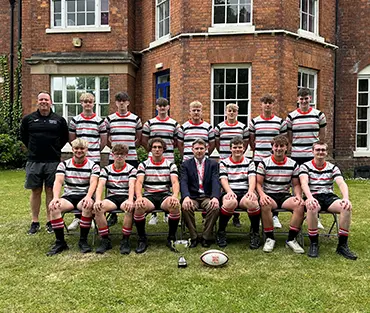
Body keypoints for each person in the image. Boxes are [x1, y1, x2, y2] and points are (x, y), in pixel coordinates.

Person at [20, 91, 69, 235]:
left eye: (46, 99)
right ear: (37, 101)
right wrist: (34, 148)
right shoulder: (28, 119)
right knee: (35, 191)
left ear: (51, 102)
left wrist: (54, 148)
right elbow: (24, 136)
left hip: (53, 161)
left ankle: (50, 221)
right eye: (41, 99)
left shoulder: (59, 120)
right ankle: (35, 222)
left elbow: (64, 138)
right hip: (34, 160)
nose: (43, 102)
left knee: (50, 191)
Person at [299, 141, 357, 260]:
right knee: (312, 206)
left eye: (323, 150)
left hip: (328, 196)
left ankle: (342, 246)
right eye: (318, 150)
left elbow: (341, 183)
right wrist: (309, 198)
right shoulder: (305, 166)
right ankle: (314, 243)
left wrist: (346, 198)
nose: (320, 152)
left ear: (326, 152)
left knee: (346, 207)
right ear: (313, 151)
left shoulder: (332, 167)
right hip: (313, 195)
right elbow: (303, 183)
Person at [47, 138, 100, 256]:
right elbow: (58, 182)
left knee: (87, 205)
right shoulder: (64, 164)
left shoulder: (94, 166)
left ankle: (83, 241)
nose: (79, 151)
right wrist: (55, 197)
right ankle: (60, 242)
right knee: (54, 207)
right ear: (72, 149)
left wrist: (88, 197)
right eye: (76, 148)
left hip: (84, 195)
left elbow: (93, 183)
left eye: (82, 148)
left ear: (87, 150)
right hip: (69, 196)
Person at [256, 135, 305, 254]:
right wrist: (262, 195)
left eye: (281, 146)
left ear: (286, 148)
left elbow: (296, 184)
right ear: (272, 147)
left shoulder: (293, 164)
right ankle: (269, 238)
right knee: (265, 204)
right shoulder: (264, 163)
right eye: (276, 146)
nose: (278, 148)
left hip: (284, 195)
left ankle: (291, 239)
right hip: (269, 194)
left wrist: (298, 196)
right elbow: (258, 183)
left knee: (299, 205)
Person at [286, 88, 327, 230]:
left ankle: (315, 215)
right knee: (297, 185)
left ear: (310, 99)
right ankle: (297, 215)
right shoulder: (291, 116)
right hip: (297, 155)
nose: (304, 101)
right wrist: (293, 148)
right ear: (297, 100)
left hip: (312, 156)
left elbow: (322, 135)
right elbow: (289, 136)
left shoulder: (319, 115)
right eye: (301, 99)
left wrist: (317, 149)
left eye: (306, 98)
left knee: (313, 184)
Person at [67, 92, 107, 231]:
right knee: (78, 185)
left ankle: (90, 217)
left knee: (93, 187)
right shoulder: (75, 120)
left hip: (94, 159)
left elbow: (103, 140)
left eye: (90, 101)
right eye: (85, 102)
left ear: (94, 103)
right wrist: (79, 152)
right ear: (81, 103)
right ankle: (78, 217)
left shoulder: (100, 121)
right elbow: (72, 139)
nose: (88, 104)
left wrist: (92, 151)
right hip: (78, 159)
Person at [134, 138, 181, 253]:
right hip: (149, 195)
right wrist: (139, 197)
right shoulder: (143, 165)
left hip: (164, 195)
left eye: (160, 147)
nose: (157, 149)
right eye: (154, 147)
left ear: (164, 149)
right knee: (139, 206)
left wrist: (175, 196)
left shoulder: (171, 165)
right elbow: (139, 182)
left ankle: (171, 238)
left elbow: (175, 182)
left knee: (174, 205)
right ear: (150, 149)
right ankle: (142, 239)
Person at [249, 94, 287, 229]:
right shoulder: (254, 122)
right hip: (259, 158)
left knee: (274, 187)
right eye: (265, 102)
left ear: (273, 105)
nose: (267, 105)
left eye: (270, 103)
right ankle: (262, 215)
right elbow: (252, 140)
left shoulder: (280, 122)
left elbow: (282, 140)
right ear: (261, 104)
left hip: (275, 159)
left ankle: (274, 216)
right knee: (261, 188)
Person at [105, 92, 142, 227]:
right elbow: (107, 138)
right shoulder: (109, 119)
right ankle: (113, 214)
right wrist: (117, 150)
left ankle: (131, 207)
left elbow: (138, 139)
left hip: (131, 157)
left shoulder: (135, 119)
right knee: (112, 184)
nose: (121, 103)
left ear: (128, 103)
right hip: (114, 157)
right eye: (119, 101)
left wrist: (128, 149)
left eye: (124, 101)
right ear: (116, 103)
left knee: (132, 183)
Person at [217, 136, 260, 249]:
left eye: (240, 147)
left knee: (253, 202)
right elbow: (223, 179)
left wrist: (251, 191)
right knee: (230, 202)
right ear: (230, 148)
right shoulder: (224, 162)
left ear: (244, 148)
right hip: (230, 190)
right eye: (235, 147)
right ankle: (221, 231)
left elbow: (252, 177)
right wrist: (229, 191)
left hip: (245, 191)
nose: (237, 149)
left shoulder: (250, 162)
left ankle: (255, 233)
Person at [142, 97, 180, 225]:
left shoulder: (174, 124)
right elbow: (144, 140)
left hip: (168, 158)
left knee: (167, 185)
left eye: (164, 106)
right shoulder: (149, 123)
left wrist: (166, 149)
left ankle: (166, 212)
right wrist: (153, 150)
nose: (162, 108)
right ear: (156, 107)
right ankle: (153, 214)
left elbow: (176, 141)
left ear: (168, 107)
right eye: (160, 106)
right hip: (152, 159)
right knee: (153, 183)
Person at [93, 144, 137, 254]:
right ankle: (105, 239)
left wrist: (130, 200)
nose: (119, 157)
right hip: (112, 197)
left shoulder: (131, 169)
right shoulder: (106, 169)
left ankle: (125, 240)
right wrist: (98, 200)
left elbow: (132, 185)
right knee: (98, 208)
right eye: (116, 154)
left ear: (126, 156)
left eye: (122, 155)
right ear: (112, 155)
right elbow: (100, 185)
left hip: (126, 196)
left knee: (129, 208)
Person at [180, 139, 220, 248]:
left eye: (201, 148)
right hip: (192, 196)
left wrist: (215, 197)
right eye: (196, 148)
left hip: (207, 196)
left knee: (215, 207)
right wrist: (186, 197)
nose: (199, 151)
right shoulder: (186, 165)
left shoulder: (213, 164)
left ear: (206, 149)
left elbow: (216, 181)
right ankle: (193, 237)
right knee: (186, 207)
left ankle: (206, 237)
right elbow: (183, 181)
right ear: (192, 150)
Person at [215, 103, 249, 228]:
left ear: (237, 113)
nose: (231, 113)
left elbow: (245, 142)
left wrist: (238, 154)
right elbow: (217, 143)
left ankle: (236, 217)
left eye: (234, 111)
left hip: (238, 160)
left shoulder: (242, 127)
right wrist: (223, 154)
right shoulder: (219, 127)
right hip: (225, 159)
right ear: (226, 112)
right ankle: (223, 213)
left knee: (238, 185)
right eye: (229, 110)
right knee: (224, 187)